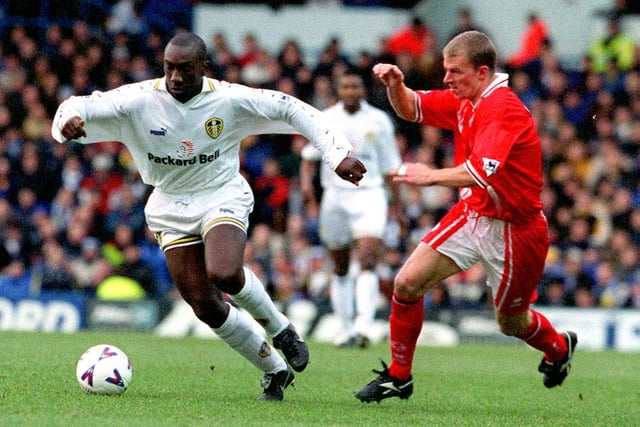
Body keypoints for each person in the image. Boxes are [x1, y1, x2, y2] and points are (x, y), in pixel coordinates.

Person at [51, 32, 367, 401]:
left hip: (221, 195)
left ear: (204, 67)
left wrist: (337, 154)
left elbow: (291, 108)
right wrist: (67, 122)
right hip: (169, 204)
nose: (176, 78)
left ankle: (281, 329)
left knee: (224, 272)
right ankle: (274, 370)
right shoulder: (139, 100)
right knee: (204, 304)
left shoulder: (229, 99)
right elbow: (78, 106)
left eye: (186, 69)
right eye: (169, 68)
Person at [355, 31, 577, 403]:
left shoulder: (501, 109)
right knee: (407, 283)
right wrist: (396, 85)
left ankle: (557, 347)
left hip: (515, 232)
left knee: (511, 323)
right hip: (473, 214)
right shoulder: (467, 99)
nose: (446, 79)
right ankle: (399, 376)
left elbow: (480, 172)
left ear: (482, 72)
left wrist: (430, 176)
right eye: (446, 70)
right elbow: (412, 108)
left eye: (454, 71)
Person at [300, 69, 402, 349]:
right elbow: (308, 158)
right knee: (341, 266)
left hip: (370, 195)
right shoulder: (327, 118)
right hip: (335, 197)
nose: (350, 92)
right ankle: (346, 328)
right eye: (345, 87)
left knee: (368, 259)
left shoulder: (379, 121)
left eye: (355, 87)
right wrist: (308, 190)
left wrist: (398, 207)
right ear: (338, 90)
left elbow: (390, 167)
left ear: (363, 90)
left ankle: (363, 327)